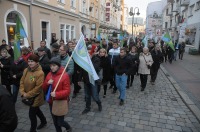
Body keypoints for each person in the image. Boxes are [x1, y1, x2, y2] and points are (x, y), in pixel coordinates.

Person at [42, 57, 72, 132]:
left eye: (54, 65)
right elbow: (43, 88)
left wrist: (57, 94)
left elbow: (67, 91)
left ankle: (68, 127)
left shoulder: (64, 76)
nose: (52, 67)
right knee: (55, 122)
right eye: (51, 66)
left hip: (60, 102)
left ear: (58, 65)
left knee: (60, 122)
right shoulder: (49, 74)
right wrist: (47, 83)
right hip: (51, 102)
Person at [19, 54, 47, 132]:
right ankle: (44, 121)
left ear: (37, 62)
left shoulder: (40, 73)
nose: (30, 63)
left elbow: (38, 88)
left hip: (36, 97)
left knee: (32, 114)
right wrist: (22, 92)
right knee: (37, 110)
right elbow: (21, 81)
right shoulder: (26, 70)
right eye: (29, 61)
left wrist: (27, 95)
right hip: (27, 95)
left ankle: (32, 130)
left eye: (32, 61)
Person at [79, 46, 102, 115]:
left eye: (90, 53)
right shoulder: (84, 60)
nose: (88, 54)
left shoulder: (96, 59)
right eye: (87, 53)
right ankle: (87, 107)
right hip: (86, 80)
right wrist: (79, 79)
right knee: (87, 95)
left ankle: (99, 103)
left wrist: (89, 61)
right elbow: (81, 70)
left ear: (92, 53)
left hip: (93, 81)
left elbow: (96, 68)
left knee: (95, 95)